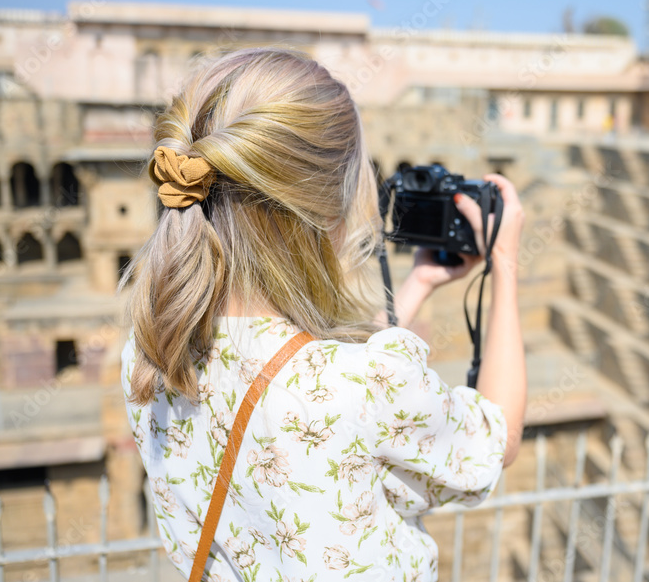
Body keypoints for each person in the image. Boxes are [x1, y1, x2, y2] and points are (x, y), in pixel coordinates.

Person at [118, 46, 527, 581]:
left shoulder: (150, 356)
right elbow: (495, 443)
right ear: (327, 202)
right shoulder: (364, 385)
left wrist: (418, 283)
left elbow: (311, 378)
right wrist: (507, 263)